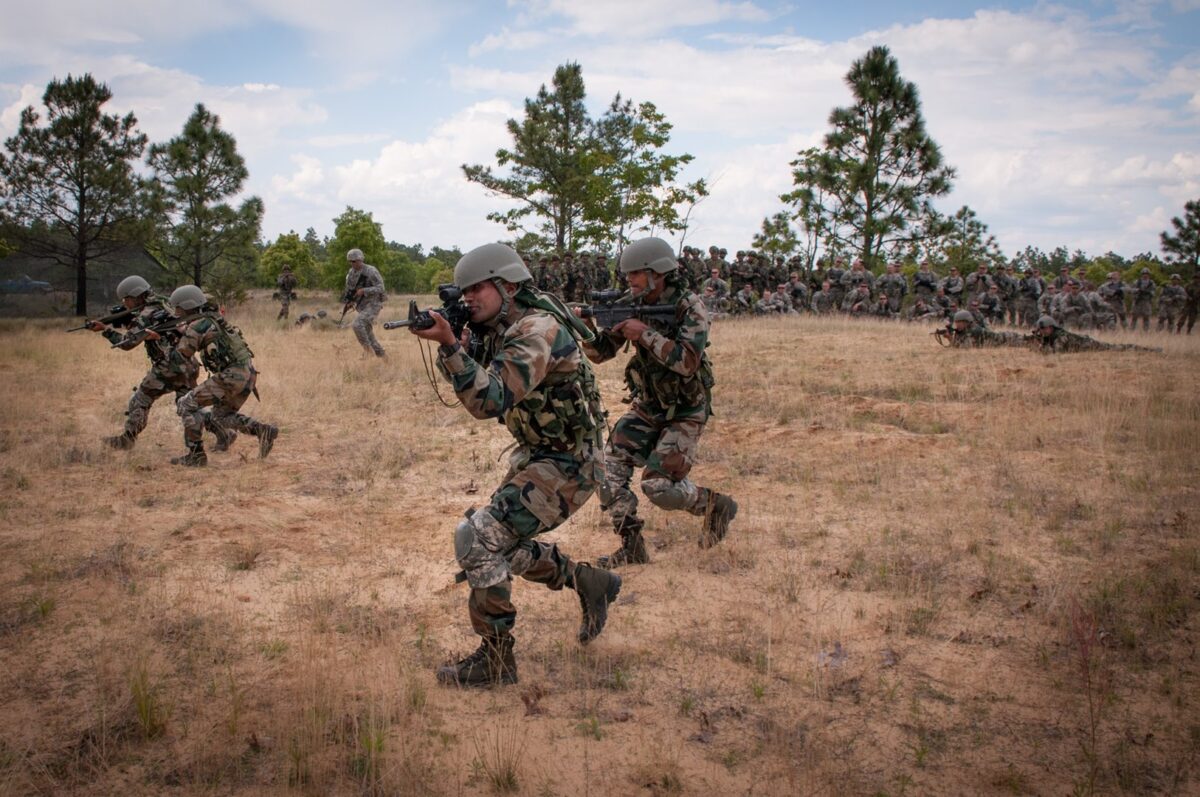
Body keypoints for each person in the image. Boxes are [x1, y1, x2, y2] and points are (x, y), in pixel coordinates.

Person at [409, 243, 621, 688]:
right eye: (463, 291)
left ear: (507, 286)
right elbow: (476, 389)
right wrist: (461, 347)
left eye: (476, 289)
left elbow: (489, 401)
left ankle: (497, 661)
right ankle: (588, 581)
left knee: (478, 537)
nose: (468, 299)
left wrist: (450, 346)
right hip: (543, 454)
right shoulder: (504, 326)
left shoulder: (535, 330)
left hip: (571, 461)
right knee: (498, 546)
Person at [579, 237, 737, 569]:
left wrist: (644, 334)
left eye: (635, 274)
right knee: (605, 474)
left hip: (685, 409)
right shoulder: (629, 301)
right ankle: (632, 546)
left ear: (657, 273)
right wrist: (585, 326)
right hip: (648, 406)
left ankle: (714, 505)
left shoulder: (689, 306)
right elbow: (600, 354)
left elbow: (687, 363)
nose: (629, 281)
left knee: (659, 486)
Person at [88, 275, 231, 452]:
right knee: (188, 406)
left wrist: (105, 330)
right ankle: (223, 432)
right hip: (187, 364)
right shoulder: (165, 303)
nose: (125, 303)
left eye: (127, 298)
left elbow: (127, 343)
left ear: (136, 295)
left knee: (140, 399)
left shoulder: (147, 313)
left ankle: (128, 438)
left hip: (168, 366)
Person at [167, 285, 278, 466]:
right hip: (247, 374)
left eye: (177, 307)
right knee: (221, 416)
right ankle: (264, 431)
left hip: (232, 376)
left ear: (187, 306)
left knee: (186, 404)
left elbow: (180, 356)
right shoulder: (212, 319)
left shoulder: (198, 325)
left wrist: (167, 338)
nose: (175, 311)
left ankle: (196, 455)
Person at [1030, 315, 1160, 353]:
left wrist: (1042, 346)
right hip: (1084, 345)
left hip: (1089, 345)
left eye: (1044, 329)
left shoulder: (1061, 336)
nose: (1042, 332)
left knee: (1118, 348)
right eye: (1041, 330)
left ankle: (1150, 350)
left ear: (1051, 327)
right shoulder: (1050, 336)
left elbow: (1056, 352)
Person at [344, 248, 387, 357]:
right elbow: (350, 290)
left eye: (354, 261)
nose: (352, 263)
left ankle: (367, 351)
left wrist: (364, 291)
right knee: (369, 335)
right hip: (362, 306)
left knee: (357, 324)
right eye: (350, 261)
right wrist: (350, 301)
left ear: (360, 259)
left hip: (373, 304)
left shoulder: (371, 271)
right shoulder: (351, 273)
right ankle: (385, 359)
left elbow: (381, 288)